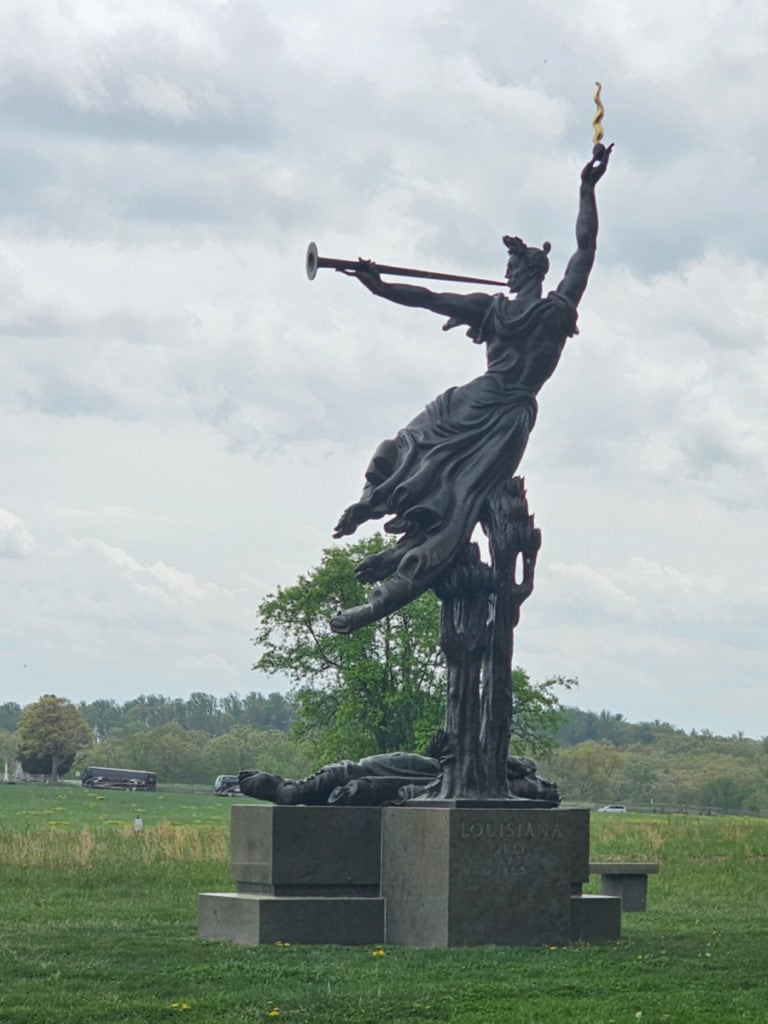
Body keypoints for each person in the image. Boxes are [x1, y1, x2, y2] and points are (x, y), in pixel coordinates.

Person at [330, 143, 613, 634]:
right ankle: (380, 518)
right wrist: (586, 190)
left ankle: (376, 509)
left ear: (520, 271)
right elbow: (585, 251)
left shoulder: (494, 309)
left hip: (476, 404)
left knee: (414, 458)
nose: (505, 275)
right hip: (511, 412)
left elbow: (427, 298)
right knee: (455, 501)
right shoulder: (557, 309)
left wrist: (377, 285)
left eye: (509, 269)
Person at [238, 748, 559, 807]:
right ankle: (294, 790)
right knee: (367, 767)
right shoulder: (524, 774)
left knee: (361, 783)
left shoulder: (523, 791)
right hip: (434, 771)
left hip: (426, 791)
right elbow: (511, 761)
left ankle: (296, 792)